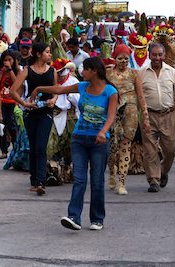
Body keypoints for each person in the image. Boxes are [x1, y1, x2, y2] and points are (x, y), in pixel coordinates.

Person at [33, 57, 118, 231]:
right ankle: (74, 217)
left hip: (99, 141)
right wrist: (39, 88)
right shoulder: (82, 87)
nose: (82, 72)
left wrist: (103, 131)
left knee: (96, 181)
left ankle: (97, 218)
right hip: (79, 138)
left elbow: (111, 116)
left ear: (94, 71)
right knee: (79, 179)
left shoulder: (110, 91)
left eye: (85, 69)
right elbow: (60, 89)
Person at [8, 42, 59, 196]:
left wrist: (54, 100)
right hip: (31, 113)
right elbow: (12, 91)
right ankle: (34, 179)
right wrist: (25, 103)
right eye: (47, 52)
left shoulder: (53, 71)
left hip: (46, 112)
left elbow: (57, 90)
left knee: (41, 146)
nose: (50, 55)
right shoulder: (27, 71)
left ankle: (41, 181)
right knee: (33, 145)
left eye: (50, 52)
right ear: (38, 54)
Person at [139, 43, 175, 192]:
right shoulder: (142, 73)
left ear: (164, 55)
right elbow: (138, 96)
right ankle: (153, 179)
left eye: (160, 55)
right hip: (149, 116)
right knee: (149, 149)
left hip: (168, 115)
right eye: (154, 55)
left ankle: (163, 171)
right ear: (149, 55)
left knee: (170, 149)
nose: (157, 58)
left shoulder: (171, 72)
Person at [106, 44, 150, 195]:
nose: (123, 61)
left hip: (130, 112)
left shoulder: (134, 74)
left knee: (126, 144)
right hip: (113, 111)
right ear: (115, 59)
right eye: (120, 58)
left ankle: (122, 182)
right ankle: (112, 170)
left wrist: (145, 115)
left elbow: (141, 95)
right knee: (112, 147)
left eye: (126, 58)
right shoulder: (108, 74)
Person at [0, 50, 21, 160]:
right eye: (5, 60)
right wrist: (1, 73)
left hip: (12, 102)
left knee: (12, 126)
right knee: (2, 126)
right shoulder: (0, 71)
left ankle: (16, 147)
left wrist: (10, 70)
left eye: (9, 60)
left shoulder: (17, 71)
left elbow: (17, 84)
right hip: (1, 102)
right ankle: (3, 150)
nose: (7, 62)